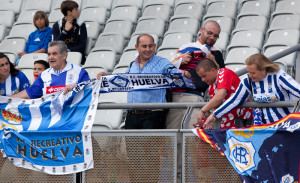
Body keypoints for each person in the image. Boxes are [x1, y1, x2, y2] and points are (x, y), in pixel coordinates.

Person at [204, 54, 300, 129]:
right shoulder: (248, 80)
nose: (250, 75)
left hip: (286, 126)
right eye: (248, 72)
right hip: (264, 128)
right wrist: (214, 116)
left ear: (263, 69)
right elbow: (235, 100)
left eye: (253, 72)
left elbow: (297, 89)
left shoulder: (278, 76)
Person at [166, 20, 225, 130]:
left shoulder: (216, 53)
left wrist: (214, 62)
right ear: (201, 30)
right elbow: (168, 68)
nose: (212, 37)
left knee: (193, 138)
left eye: (216, 36)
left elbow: (223, 77)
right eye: (210, 33)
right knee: (173, 138)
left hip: (196, 97)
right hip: (176, 96)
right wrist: (180, 61)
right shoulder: (186, 47)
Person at [124, 34, 190, 130]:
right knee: (130, 145)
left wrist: (181, 73)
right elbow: (122, 81)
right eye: (144, 46)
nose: (148, 49)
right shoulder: (132, 65)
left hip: (153, 116)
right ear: (136, 47)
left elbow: (172, 71)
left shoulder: (162, 63)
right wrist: (104, 78)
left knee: (151, 145)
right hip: (131, 116)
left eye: (150, 46)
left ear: (155, 46)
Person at [11, 41, 90, 99]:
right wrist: (6, 99)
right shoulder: (44, 75)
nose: (50, 57)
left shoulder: (79, 72)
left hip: (72, 119)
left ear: (64, 55)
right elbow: (30, 93)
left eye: (54, 54)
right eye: (49, 54)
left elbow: (90, 91)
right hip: (50, 119)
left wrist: (77, 88)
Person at [194, 58, 252, 129]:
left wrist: (202, 111)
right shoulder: (211, 85)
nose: (202, 80)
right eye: (201, 77)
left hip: (244, 119)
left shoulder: (224, 72)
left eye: (204, 76)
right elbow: (215, 106)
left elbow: (220, 96)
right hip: (231, 121)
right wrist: (206, 122)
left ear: (212, 70)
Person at [52, 0, 87, 65]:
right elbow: (55, 45)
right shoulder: (57, 25)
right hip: (60, 58)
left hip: (77, 56)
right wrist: (65, 31)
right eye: (76, 10)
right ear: (69, 12)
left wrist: (68, 51)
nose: (78, 11)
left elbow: (82, 46)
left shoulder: (81, 24)